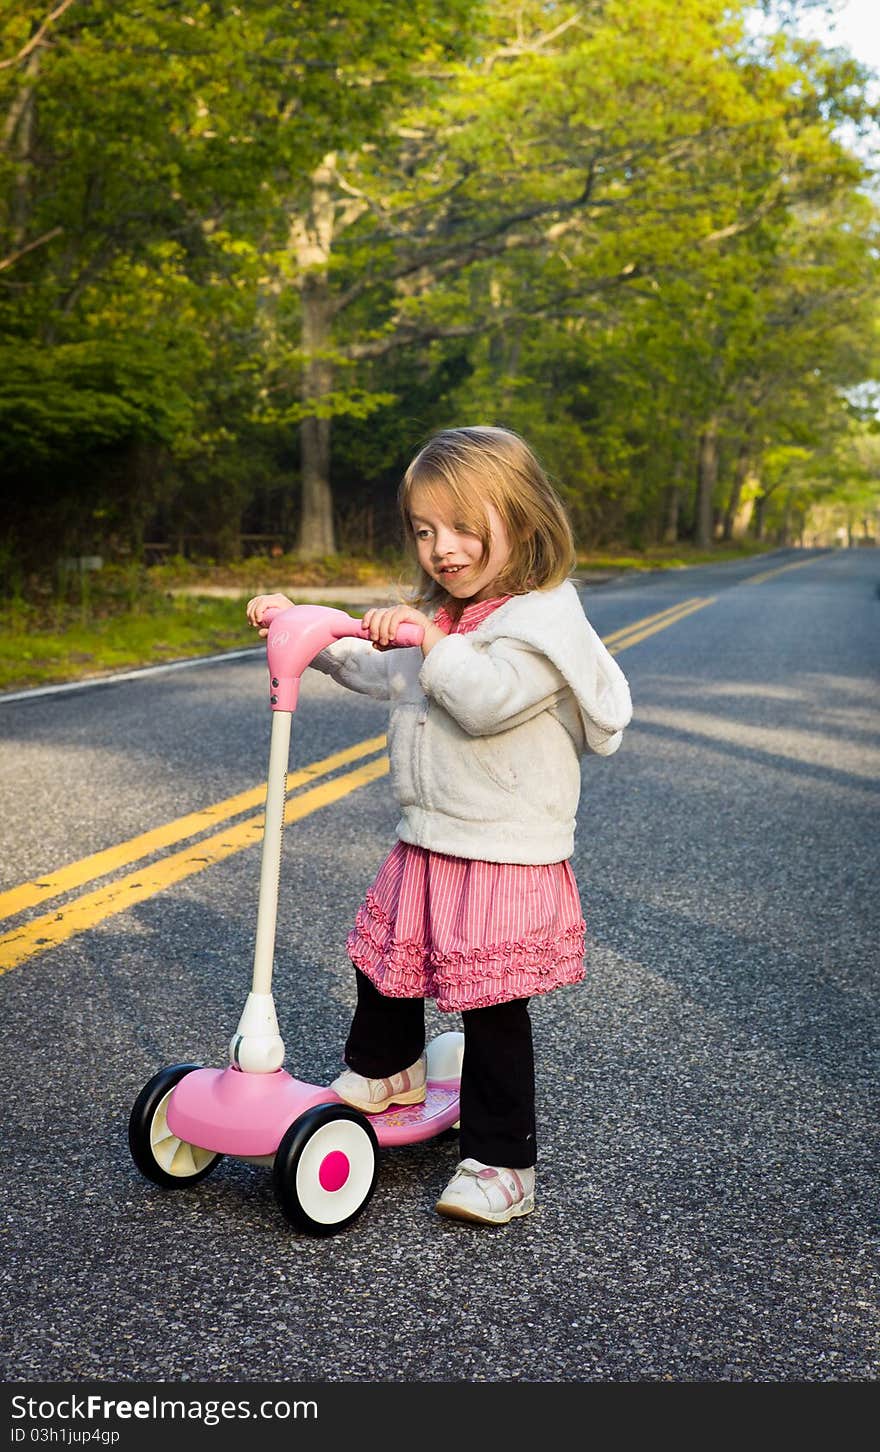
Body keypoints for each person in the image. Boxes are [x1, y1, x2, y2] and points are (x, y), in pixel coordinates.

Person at [246, 425, 632, 1226]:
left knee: (491, 1007)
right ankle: (388, 1070)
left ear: (522, 522)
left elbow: (483, 697)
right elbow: (382, 668)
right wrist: (312, 632)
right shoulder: (447, 614)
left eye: (462, 527)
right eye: (424, 530)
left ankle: (502, 1162)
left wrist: (431, 640)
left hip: (502, 849)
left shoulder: (540, 628)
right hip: (431, 834)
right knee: (383, 956)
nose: (441, 548)